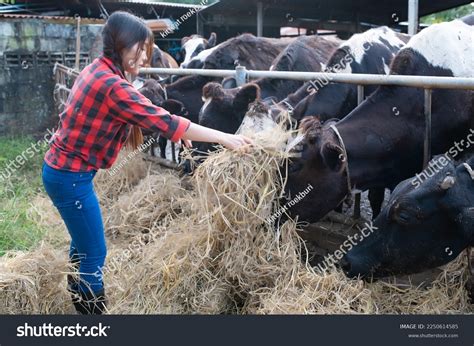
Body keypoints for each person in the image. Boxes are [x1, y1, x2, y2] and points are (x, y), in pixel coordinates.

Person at [41, 11, 252, 315]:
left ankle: (77, 294)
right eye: (140, 49)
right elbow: (163, 119)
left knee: (82, 244)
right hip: (70, 177)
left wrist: (177, 131)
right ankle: (92, 315)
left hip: (63, 172)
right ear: (122, 45)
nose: (144, 57)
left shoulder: (98, 70)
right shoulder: (113, 85)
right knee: (95, 252)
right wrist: (225, 138)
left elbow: (145, 116)